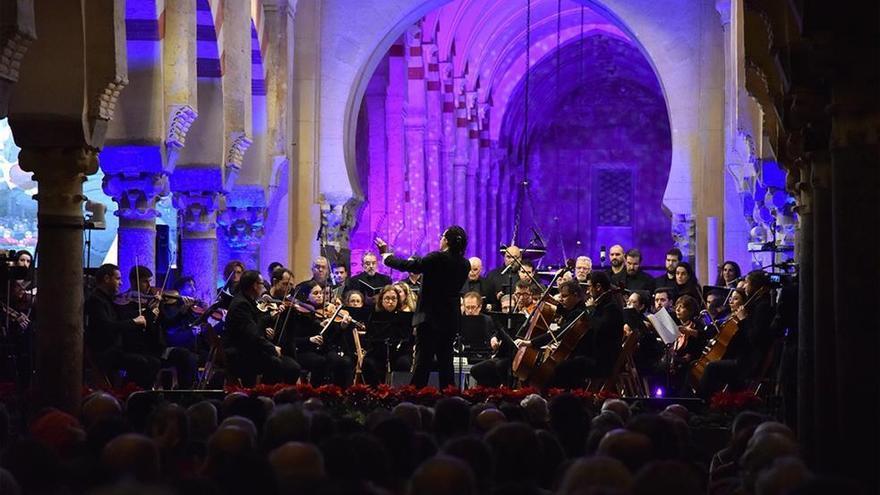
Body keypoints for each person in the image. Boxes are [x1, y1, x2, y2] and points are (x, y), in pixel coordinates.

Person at [376, 225, 471, 389]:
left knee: (423, 362)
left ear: (447, 241)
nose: (440, 239)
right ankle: (449, 398)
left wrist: (386, 255)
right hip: (450, 319)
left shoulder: (437, 257)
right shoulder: (465, 264)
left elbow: (410, 266)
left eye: (442, 236)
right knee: (446, 363)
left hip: (430, 318)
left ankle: (415, 398)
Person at [699, 271, 776, 397]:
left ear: (757, 286)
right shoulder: (756, 304)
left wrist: (743, 319)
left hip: (748, 363)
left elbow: (754, 338)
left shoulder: (762, 307)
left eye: (747, 283)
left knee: (711, 367)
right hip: (743, 358)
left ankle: (703, 404)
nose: (744, 286)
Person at [84, 264, 156, 389]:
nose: (121, 283)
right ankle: (133, 395)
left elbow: (120, 318)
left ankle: (137, 393)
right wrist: (134, 322)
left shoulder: (107, 299)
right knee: (142, 363)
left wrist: (146, 313)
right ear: (107, 279)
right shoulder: (96, 300)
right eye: (117, 279)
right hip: (105, 352)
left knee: (153, 361)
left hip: (115, 350)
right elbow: (107, 326)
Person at [223, 270, 300, 385]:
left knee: (291, 365)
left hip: (249, 349)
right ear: (255, 286)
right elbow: (252, 335)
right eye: (262, 284)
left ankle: (270, 394)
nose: (264, 287)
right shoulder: (242, 304)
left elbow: (254, 326)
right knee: (281, 365)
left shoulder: (246, 301)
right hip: (241, 354)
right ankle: (267, 395)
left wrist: (270, 316)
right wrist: (272, 348)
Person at [279, 280, 353, 387]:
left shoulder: (322, 312)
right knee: (320, 361)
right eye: (315, 293)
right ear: (306, 296)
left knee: (344, 361)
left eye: (321, 293)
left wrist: (341, 327)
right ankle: (315, 393)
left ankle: (340, 394)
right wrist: (310, 339)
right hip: (302, 351)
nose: (320, 296)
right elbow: (292, 339)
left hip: (321, 350)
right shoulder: (297, 314)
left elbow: (331, 340)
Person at [483, 245, 522, 311]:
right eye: (508, 257)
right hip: (497, 314)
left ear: (520, 258)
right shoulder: (492, 275)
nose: (512, 260)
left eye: (515, 257)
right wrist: (496, 297)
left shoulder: (526, 274)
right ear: (504, 257)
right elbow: (487, 299)